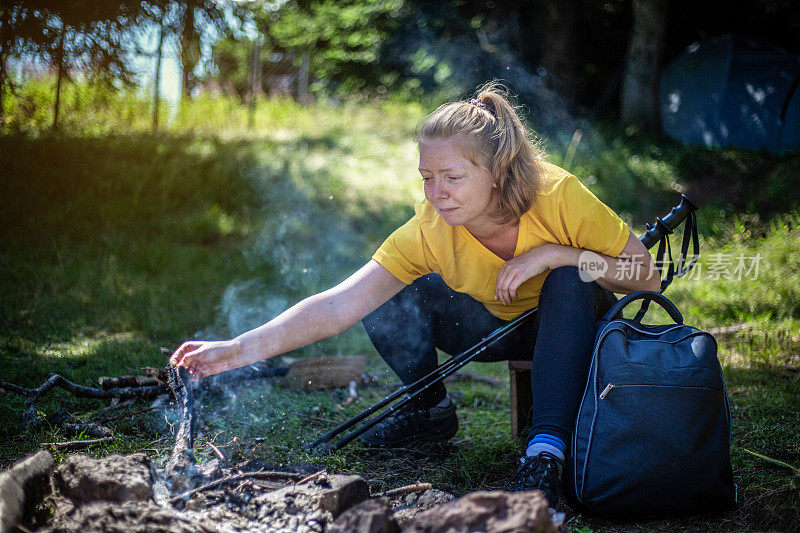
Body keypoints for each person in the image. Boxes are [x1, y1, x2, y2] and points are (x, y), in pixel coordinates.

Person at [170, 82, 659, 508]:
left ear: (497, 171)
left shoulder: (556, 195)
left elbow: (645, 276)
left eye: (452, 178)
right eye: (427, 177)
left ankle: (546, 454)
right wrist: (236, 349)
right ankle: (429, 410)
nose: (436, 193)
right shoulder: (430, 229)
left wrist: (559, 255)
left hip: (575, 326)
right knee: (391, 294)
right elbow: (341, 303)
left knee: (569, 279)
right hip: (494, 328)